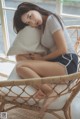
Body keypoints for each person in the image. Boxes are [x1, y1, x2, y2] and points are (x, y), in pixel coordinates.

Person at [13, 2, 78, 99]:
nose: (33, 22)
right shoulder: (41, 25)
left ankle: (49, 91)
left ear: (34, 8)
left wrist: (42, 59)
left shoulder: (52, 19)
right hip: (55, 60)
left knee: (20, 67)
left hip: (67, 63)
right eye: (28, 23)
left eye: (30, 16)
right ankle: (41, 87)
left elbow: (63, 49)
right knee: (19, 57)